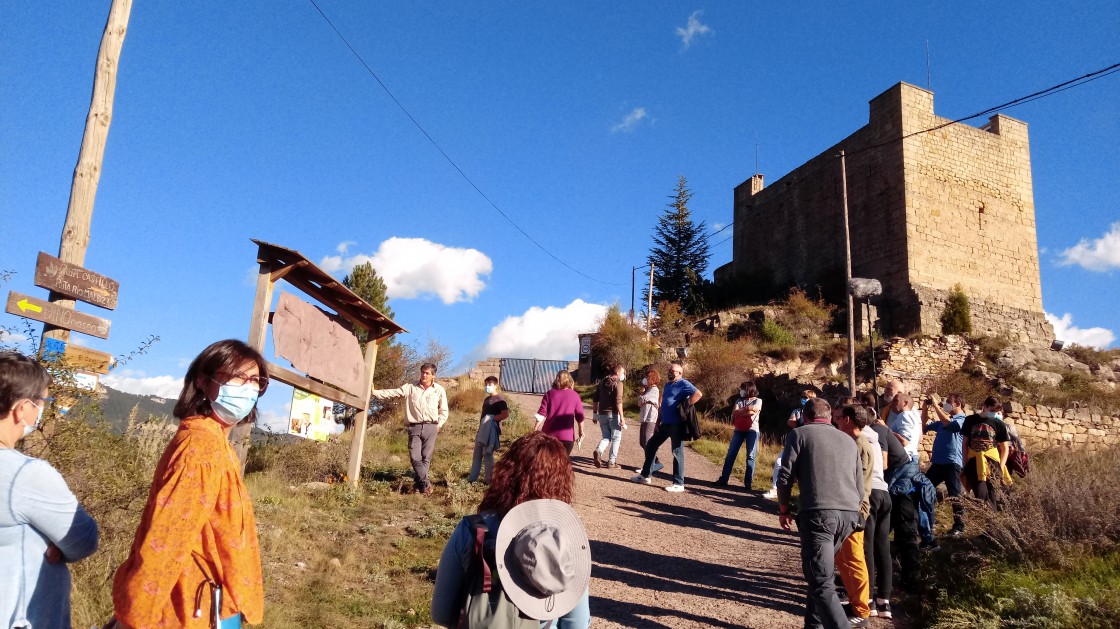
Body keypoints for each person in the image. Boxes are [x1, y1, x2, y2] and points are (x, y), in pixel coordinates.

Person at [112, 340, 269, 628]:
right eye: (236, 377)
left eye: (255, 380)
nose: (247, 387)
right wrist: (135, 617)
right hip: (188, 605)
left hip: (212, 599)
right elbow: (167, 537)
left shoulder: (216, 442)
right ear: (203, 382)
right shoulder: (201, 446)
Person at [431, 432, 592, 628]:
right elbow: (577, 623)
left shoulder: (471, 530)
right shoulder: (565, 540)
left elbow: (442, 613)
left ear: (507, 474)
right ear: (563, 481)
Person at [1, 351, 99, 629]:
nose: (42, 409)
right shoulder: (26, 474)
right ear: (22, 409)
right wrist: (49, 539)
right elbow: (82, 539)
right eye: (41, 401)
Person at [776, 398, 864, 629]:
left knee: (821, 581)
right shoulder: (848, 440)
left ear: (805, 416)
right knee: (819, 575)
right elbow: (859, 485)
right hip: (848, 515)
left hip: (819, 514)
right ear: (828, 416)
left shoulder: (800, 434)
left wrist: (784, 508)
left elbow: (784, 476)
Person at [371, 362, 450, 495]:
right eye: (422, 372)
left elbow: (444, 410)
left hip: (431, 427)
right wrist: (375, 393)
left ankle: (421, 486)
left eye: (427, 373)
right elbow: (394, 392)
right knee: (415, 458)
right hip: (414, 426)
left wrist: (439, 424)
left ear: (433, 376)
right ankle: (425, 483)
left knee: (426, 458)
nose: (424, 375)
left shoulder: (439, 389)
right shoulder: (410, 387)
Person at [833, 402, 875, 626]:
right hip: (847, 507)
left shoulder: (859, 445)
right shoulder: (853, 442)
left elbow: (855, 483)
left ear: (848, 420)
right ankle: (854, 601)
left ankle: (862, 610)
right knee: (843, 559)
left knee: (855, 560)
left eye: (839, 418)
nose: (836, 421)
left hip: (855, 510)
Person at [631, 362, 701, 492]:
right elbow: (663, 403)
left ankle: (679, 483)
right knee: (651, 444)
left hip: (676, 424)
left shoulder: (684, 383)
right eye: (669, 370)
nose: (669, 372)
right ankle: (645, 476)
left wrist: (686, 406)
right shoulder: (668, 385)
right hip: (665, 423)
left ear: (680, 373)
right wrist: (658, 420)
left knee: (677, 452)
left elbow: (698, 394)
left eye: (672, 371)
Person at [921, 392, 966, 536]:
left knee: (955, 495)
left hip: (952, 462)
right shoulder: (943, 421)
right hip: (938, 463)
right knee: (925, 488)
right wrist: (925, 407)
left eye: (948, 402)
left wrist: (935, 405)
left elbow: (950, 424)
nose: (945, 404)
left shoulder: (962, 419)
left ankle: (959, 526)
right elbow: (925, 426)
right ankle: (930, 521)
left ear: (957, 404)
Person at [960, 396, 1013, 508]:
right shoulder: (970, 420)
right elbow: (965, 443)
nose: (994, 413)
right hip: (974, 461)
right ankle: (988, 519)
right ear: (984, 406)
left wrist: (1001, 467)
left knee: (992, 494)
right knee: (981, 494)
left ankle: (992, 524)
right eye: (992, 410)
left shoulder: (999, 424)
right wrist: (965, 462)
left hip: (992, 463)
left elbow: (1005, 448)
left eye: (996, 411)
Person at [763, 390, 817, 499]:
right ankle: (775, 489)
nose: (804, 399)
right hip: (795, 443)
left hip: (810, 445)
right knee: (779, 462)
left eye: (807, 397)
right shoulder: (797, 411)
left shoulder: (816, 412)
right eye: (802, 396)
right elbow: (791, 422)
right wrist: (799, 421)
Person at [716, 381, 762, 490]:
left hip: (752, 431)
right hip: (739, 429)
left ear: (749, 389)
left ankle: (748, 483)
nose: (740, 391)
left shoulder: (758, 400)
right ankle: (724, 479)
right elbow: (734, 413)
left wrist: (742, 411)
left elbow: (754, 411)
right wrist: (748, 409)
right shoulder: (738, 400)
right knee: (731, 454)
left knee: (751, 456)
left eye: (742, 388)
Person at [469, 376, 509, 484]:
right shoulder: (487, 399)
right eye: (486, 384)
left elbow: (505, 414)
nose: (487, 386)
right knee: (477, 454)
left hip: (491, 430)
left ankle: (489, 480)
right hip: (482, 429)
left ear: (496, 385)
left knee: (487, 454)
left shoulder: (500, 399)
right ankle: (472, 479)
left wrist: (491, 419)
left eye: (490, 384)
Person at [534, 371, 585, 455]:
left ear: (557, 379)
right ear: (570, 380)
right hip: (567, 438)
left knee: (547, 464)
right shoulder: (575, 395)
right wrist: (581, 431)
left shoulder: (549, 394)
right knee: (561, 465)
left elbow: (541, 414)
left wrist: (535, 429)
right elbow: (580, 416)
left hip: (548, 436)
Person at [590, 364, 627, 469]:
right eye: (623, 373)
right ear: (618, 373)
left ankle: (599, 450)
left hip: (602, 414)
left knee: (606, 437)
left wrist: (594, 414)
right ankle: (611, 462)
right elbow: (618, 401)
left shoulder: (602, 382)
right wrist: (622, 418)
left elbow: (595, 399)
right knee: (616, 438)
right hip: (613, 415)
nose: (623, 375)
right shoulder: (618, 383)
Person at [636, 369, 664, 474]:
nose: (644, 379)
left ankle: (650, 465)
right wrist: (642, 397)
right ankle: (654, 462)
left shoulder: (654, 390)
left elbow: (642, 399)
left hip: (650, 418)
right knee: (642, 442)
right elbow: (639, 402)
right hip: (644, 417)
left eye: (646, 377)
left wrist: (642, 396)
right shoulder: (647, 390)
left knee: (648, 442)